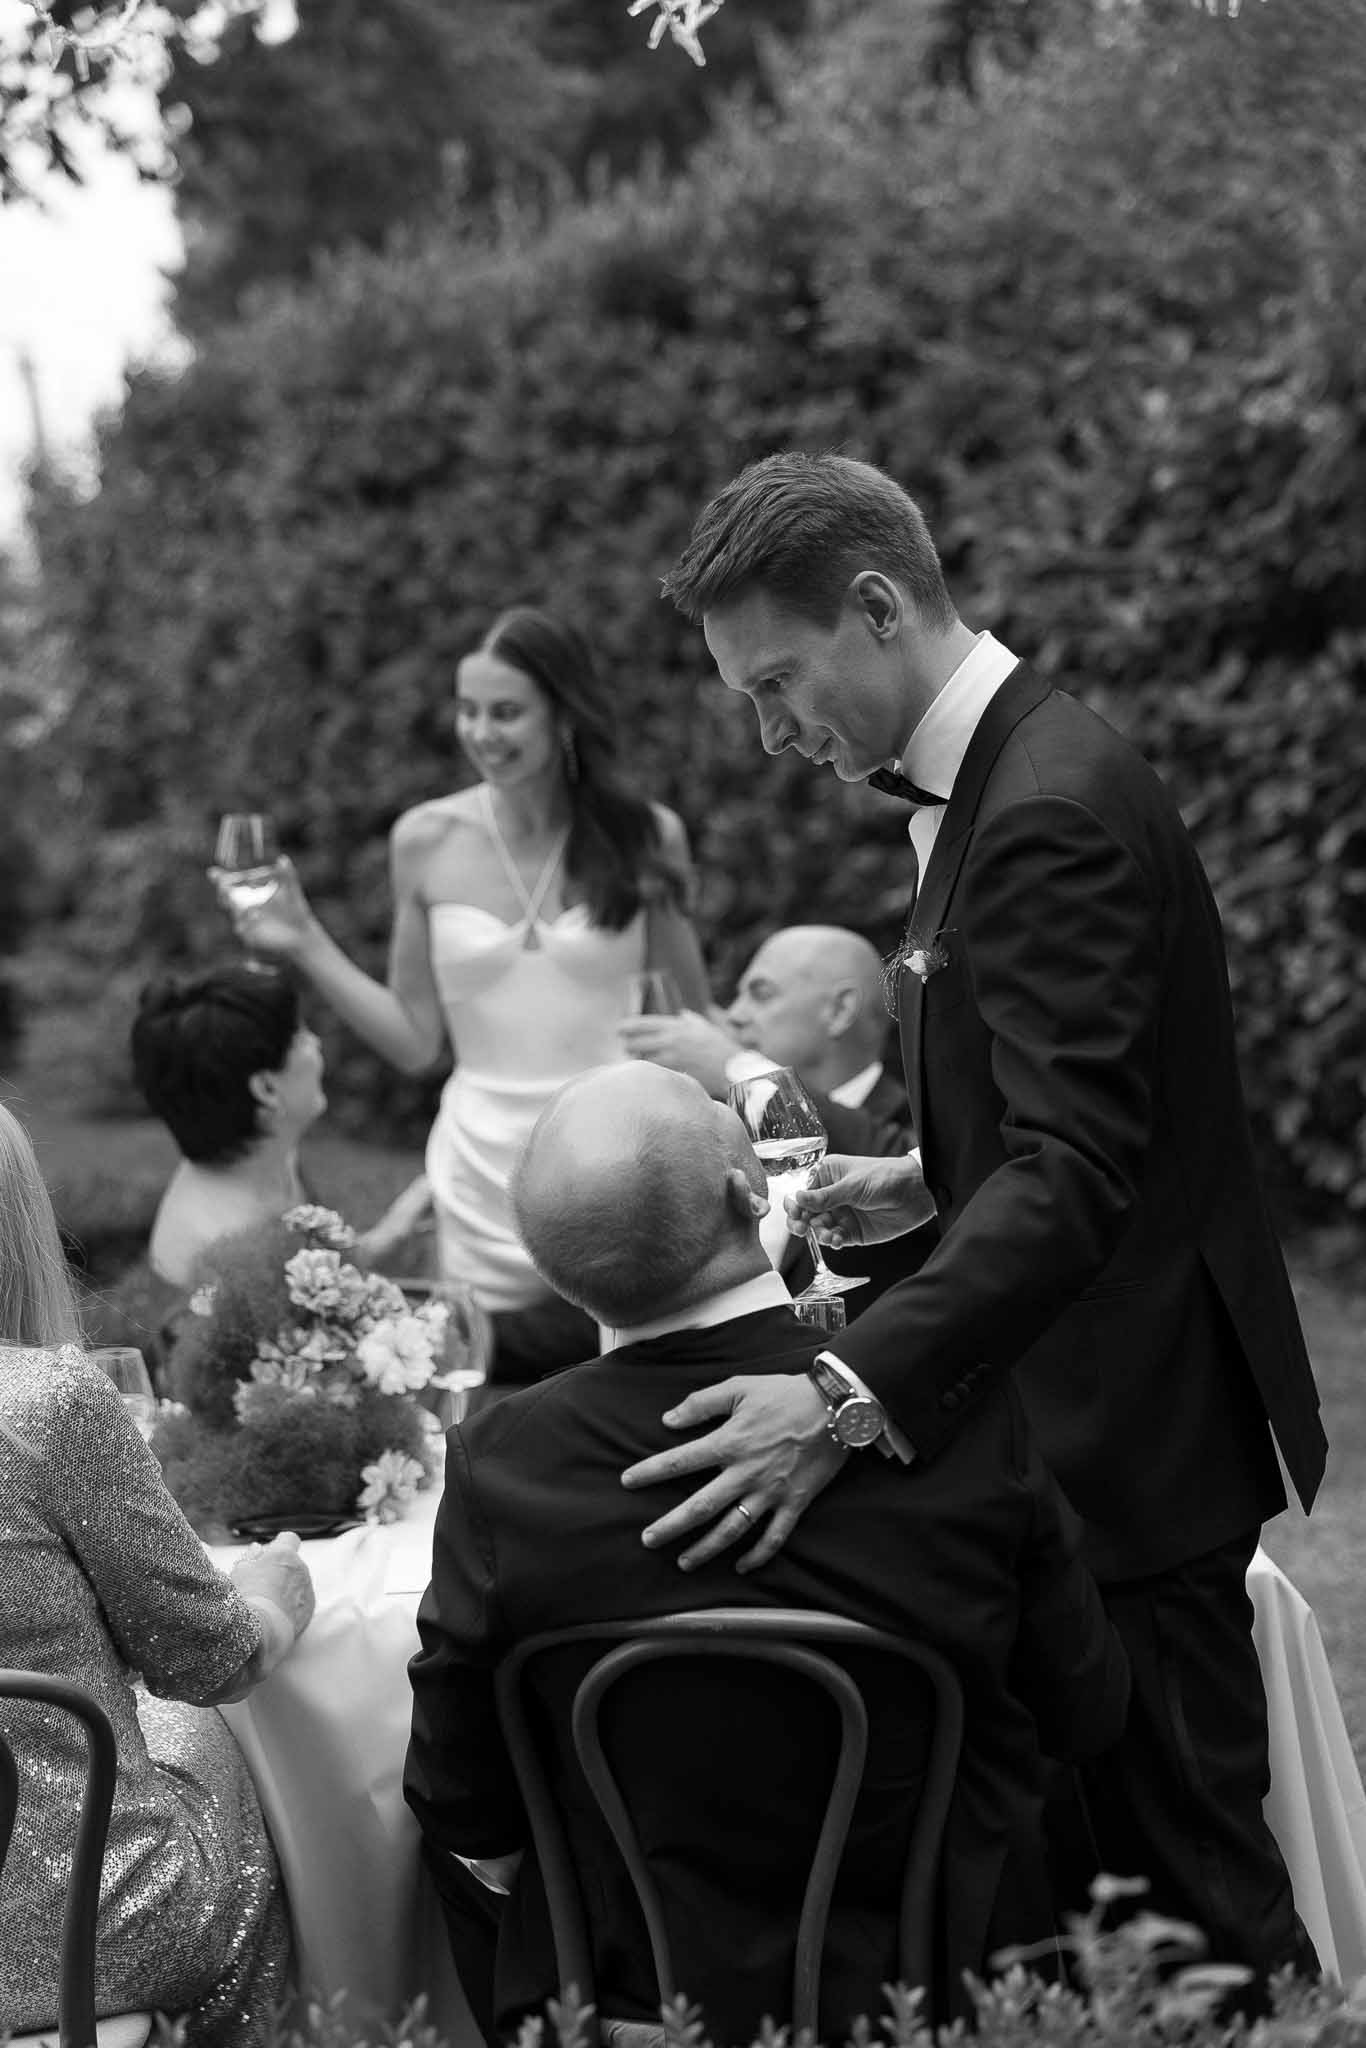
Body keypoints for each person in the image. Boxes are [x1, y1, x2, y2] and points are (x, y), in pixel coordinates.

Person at [628, 450, 1326, 1985]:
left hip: (1128, 1444)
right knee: (1110, 1906)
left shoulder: (1044, 806)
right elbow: (1066, 1114)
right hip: (1074, 1418)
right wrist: (936, 1179)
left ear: (877, 607)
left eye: (777, 683)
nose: (767, 733)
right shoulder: (991, 776)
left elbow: (1080, 1175)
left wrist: (835, 1395)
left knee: (1203, 1901)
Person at [404, 1062, 1129, 2043]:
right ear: (753, 1193)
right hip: (937, 1982)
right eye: (718, 1109)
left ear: (553, 1267)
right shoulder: (940, 1414)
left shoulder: (503, 1463)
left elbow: (462, 1798)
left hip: (640, 1990)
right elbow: (1083, 1703)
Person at [220, 607, 710, 1344]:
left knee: (627, 1374)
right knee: (478, 1395)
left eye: (506, 713)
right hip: (483, 1174)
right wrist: (305, 939)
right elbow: (417, 1043)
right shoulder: (424, 839)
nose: (481, 733)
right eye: (468, 710)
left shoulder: (647, 834)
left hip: (621, 1162)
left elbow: (692, 1019)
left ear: (564, 716)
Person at [0, 1103, 316, 2043]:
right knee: (209, 1742)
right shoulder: (45, 1406)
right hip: (77, 1931)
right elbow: (210, 1660)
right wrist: (275, 1602)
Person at [619, 923, 922, 1300]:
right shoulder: (722, 1135)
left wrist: (738, 1067)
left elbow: (905, 1171)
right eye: (737, 995)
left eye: (760, 994)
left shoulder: (921, 1125)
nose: (733, 1015)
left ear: (839, 1010)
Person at [131, 964, 328, 1289]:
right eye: (301, 1038)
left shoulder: (273, 1158)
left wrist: (400, 1225)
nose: (316, 1043)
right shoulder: (223, 1256)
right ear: (266, 1089)